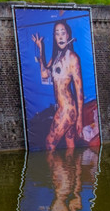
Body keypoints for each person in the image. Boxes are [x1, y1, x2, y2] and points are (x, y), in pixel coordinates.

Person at [30, 20, 84, 149]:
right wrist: (41, 49)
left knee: (49, 143)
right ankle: (74, 169)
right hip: (64, 108)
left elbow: (79, 90)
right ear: (54, 37)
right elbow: (44, 74)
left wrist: (80, 118)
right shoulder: (56, 57)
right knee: (70, 144)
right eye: (57, 34)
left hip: (67, 109)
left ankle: (55, 170)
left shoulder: (72, 58)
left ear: (68, 35)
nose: (60, 37)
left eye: (63, 33)